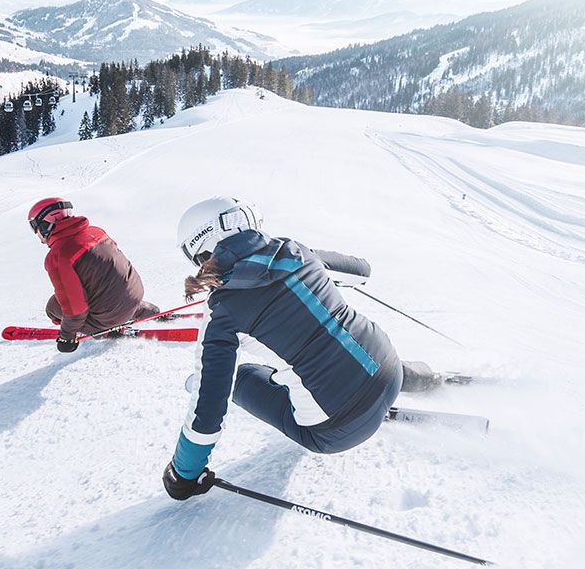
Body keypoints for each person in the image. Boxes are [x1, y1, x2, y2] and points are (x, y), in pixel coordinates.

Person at [161, 196, 444, 501]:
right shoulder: (295, 250)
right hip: (390, 370)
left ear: (200, 250)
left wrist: (183, 474)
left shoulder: (222, 311)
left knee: (240, 378)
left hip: (335, 428)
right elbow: (362, 271)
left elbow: (209, 406)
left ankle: (337, 394)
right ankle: (422, 378)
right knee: (339, 341)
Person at [30, 197, 161, 353]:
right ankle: (136, 309)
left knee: (53, 307)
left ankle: (101, 328)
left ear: (45, 225)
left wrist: (67, 337)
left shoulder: (58, 256)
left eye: (34, 227)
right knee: (97, 279)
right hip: (134, 295)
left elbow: (75, 309)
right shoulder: (97, 232)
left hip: (109, 315)